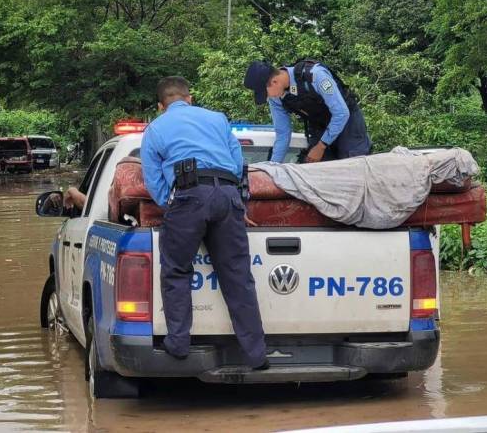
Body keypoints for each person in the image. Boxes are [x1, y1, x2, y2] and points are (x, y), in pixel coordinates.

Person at [140, 76, 268, 370]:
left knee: (175, 270)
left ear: (162, 106)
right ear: (190, 98)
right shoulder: (218, 119)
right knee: (238, 277)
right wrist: (232, 200)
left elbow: (153, 180)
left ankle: (179, 344)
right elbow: (237, 164)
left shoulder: (156, 128)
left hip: (188, 197)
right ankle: (256, 355)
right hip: (226, 194)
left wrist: (171, 206)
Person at [244, 60, 372, 163]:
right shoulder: (276, 98)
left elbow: (341, 113)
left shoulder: (315, 75)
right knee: (313, 167)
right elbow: (283, 133)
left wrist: (321, 146)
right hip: (320, 126)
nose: (268, 97)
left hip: (348, 123)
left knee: (353, 166)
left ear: (274, 82)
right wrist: (272, 167)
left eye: (266, 93)